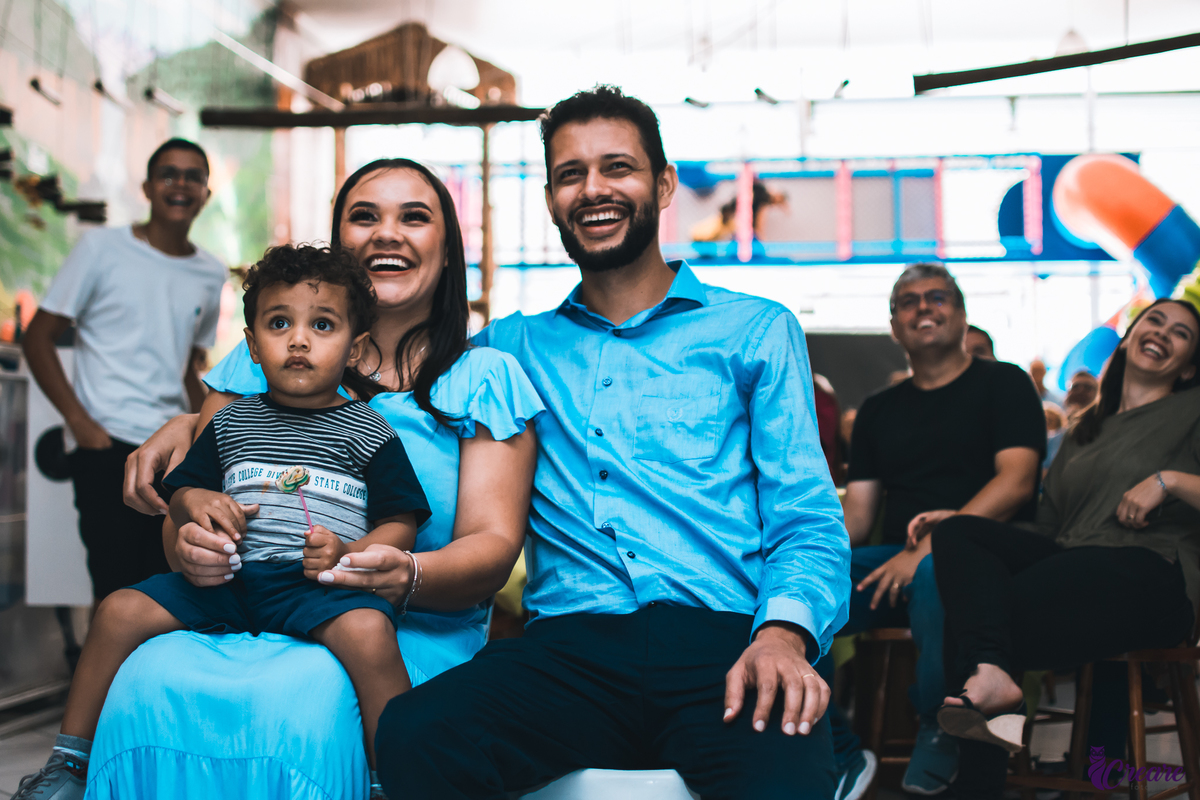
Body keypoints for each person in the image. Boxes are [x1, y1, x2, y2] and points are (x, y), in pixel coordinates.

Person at [367, 85, 849, 800]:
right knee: (414, 734)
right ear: (553, 197)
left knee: (788, 780)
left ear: (662, 184)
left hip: (727, 641)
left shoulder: (755, 330)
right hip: (571, 653)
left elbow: (807, 518)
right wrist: (206, 426)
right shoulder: (506, 353)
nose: (593, 189)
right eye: (570, 174)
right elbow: (381, 381)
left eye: (616, 167)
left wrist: (783, 635)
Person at [99, 159, 542, 800]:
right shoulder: (259, 366)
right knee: (144, 682)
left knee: (304, 701)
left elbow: (491, 551)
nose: (387, 233)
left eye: (413, 218)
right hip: (238, 610)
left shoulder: (485, 379)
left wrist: (405, 573)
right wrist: (194, 544)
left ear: (448, 252)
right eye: (365, 216)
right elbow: (187, 525)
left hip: (399, 631)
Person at [14, 244, 432, 800]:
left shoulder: (370, 432)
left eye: (323, 325)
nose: (299, 340)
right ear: (253, 345)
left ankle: (395, 779)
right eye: (279, 323)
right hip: (226, 580)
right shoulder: (231, 420)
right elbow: (184, 487)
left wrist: (350, 556)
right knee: (117, 610)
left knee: (370, 632)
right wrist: (195, 505)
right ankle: (67, 766)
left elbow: (401, 520)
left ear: (355, 347)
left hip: (316, 589)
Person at [933, 298, 1200, 795]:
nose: (1163, 332)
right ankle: (994, 679)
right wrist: (969, 545)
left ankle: (979, 780)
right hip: (1076, 562)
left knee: (984, 619)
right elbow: (1050, 532)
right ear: (1128, 337)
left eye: (1181, 333)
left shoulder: (1192, 408)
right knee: (958, 536)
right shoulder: (1084, 430)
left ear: (1188, 366)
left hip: (1155, 572)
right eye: (1155, 320)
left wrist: (1169, 481)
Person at [822, 263, 1044, 798]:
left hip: (984, 563)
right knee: (804, 587)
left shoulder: (1004, 383)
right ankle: (830, 744)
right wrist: (802, 559)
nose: (923, 307)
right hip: (891, 562)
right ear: (895, 326)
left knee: (935, 570)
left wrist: (923, 549)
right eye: (908, 301)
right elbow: (857, 516)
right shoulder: (877, 410)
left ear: (962, 315)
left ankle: (937, 723)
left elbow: (1016, 483)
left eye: (937, 297)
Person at [22, 138, 226, 603]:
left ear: (206, 194)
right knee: (116, 590)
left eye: (194, 176)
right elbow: (38, 338)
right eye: (169, 174)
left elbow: (189, 366)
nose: (181, 184)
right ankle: (102, 678)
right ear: (148, 187)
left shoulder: (210, 272)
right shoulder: (100, 248)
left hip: (170, 449)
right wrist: (81, 425)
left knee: (168, 588)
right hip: (105, 442)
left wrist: (209, 437)